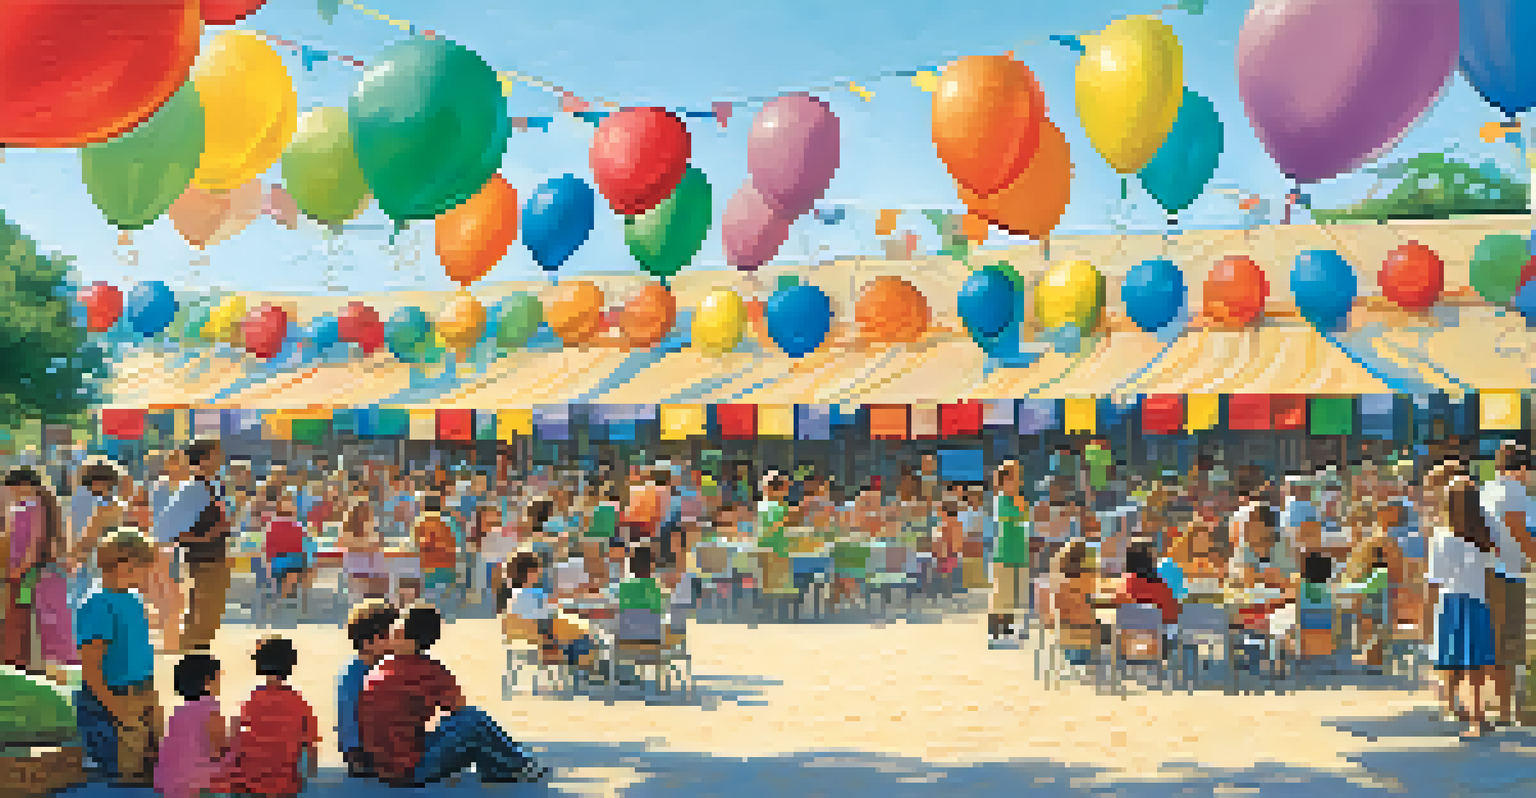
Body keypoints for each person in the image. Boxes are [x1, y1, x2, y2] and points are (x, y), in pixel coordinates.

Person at [359, 604, 547, 786]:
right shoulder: (430, 670)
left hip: (382, 766)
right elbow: (461, 710)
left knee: (467, 730)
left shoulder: (383, 665)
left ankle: (503, 768)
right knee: (473, 720)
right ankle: (520, 763)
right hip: (409, 769)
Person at [75, 534, 161, 787]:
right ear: (127, 564)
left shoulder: (133, 600)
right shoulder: (99, 605)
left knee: (148, 767)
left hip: (141, 693)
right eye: (145, 568)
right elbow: (91, 667)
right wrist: (115, 707)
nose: (148, 575)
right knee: (122, 776)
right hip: (113, 700)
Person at [1431, 478, 1499, 738]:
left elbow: (1435, 578)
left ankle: (1457, 707)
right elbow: (1491, 566)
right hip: (1477, 601)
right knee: (1476, 664)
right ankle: (1477, 715)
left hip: (1450, 601)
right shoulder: (1484, 535)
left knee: (1453, 658)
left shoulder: (1440, 535)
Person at [210, 636, 319, 796]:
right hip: (283, 786)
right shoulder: (300, 703)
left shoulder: (250, 700)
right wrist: (308, 777)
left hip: (247, 783)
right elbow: (311, 749)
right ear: (290, 666)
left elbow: (236, 737)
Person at [1479, 443, 1536, 727]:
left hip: (1489, 571)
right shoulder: (1513, 491)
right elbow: (1516, 527)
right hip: (1507, 574)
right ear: (1523, 469)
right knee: (1509, 645)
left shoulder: (1488, 488)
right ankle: (1508, 711)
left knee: (1497, 644)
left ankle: (1499, 708)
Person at [158, 440, 232, 651]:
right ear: (204, 459)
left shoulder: (207, 486)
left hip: (213, 557)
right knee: (203, 609)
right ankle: (192, 653)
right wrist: (205, 537)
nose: (221, 458)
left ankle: (197, 651)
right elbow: (165, 528)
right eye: (217, 454)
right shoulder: (194, 488)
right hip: (203, 559)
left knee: (210, 610)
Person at [4, 467, 74, 672]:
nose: (11, 493)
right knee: (35, 619)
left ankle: (45, 666)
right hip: (33, 571)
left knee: (40, 620)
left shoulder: (34, 507)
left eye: (12, 488)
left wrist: (19, 569)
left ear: (24, 486)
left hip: (31, 572)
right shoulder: (33, 505)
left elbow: (34, 544)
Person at [154, 654, 234, 798]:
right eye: (218, 678)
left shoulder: (178, 713)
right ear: (207, 683)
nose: (221, 683)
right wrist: (236, 739)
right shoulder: (211, 709)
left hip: (168, 787)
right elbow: (217, 752)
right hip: (197, 788)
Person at [503, 552, 598, 669]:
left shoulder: (512, 597)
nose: (540, 573)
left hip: (523, 643)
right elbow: (553, 609)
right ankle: (583, 673)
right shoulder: (534, 594)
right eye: (538, 570)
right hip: (545, 644)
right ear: (530, 572)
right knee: (586, 637)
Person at [339, 600, 399, 778]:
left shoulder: (391, 667)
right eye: (392, 635)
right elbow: (347, 717)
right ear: (368, 642)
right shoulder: (354, 674)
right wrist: (354, 754)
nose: (398, 640)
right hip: (366, 754)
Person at [990, 461, 1030, 645]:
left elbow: (1026, 522)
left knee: (1015, 597)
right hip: (1004, 554)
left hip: (1020, 553)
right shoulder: (1001, 499)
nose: (1014, 482)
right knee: (1001, 596)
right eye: (1009, 478)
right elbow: (1011, 517)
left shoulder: (1020, 499)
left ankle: (1007, 632)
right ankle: (995, 633)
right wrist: (1020, 508)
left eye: (1016, 477)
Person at [1112, 543, 1179, 626]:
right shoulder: (1162, 588)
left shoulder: (1123, 585)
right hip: (1156, 634)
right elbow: (1172, 617)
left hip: (1127, 634)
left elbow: (1117, 614)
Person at [413, 492, 458, 608]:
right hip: (449, 567)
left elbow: (419, 545)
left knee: (429, 602)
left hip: (428, 569)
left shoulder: (422, 524)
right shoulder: (449, 522)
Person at [265, 488, 308, 600]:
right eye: (286, 502)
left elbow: (302, 544)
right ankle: (288, 587)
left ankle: (289, 587)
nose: (289, 505)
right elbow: (270, 546)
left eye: (291, 503)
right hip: (282, 558)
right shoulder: (275, 524)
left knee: (296, 562)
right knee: (289, 565)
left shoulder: (297, 524)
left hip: (292, 558)